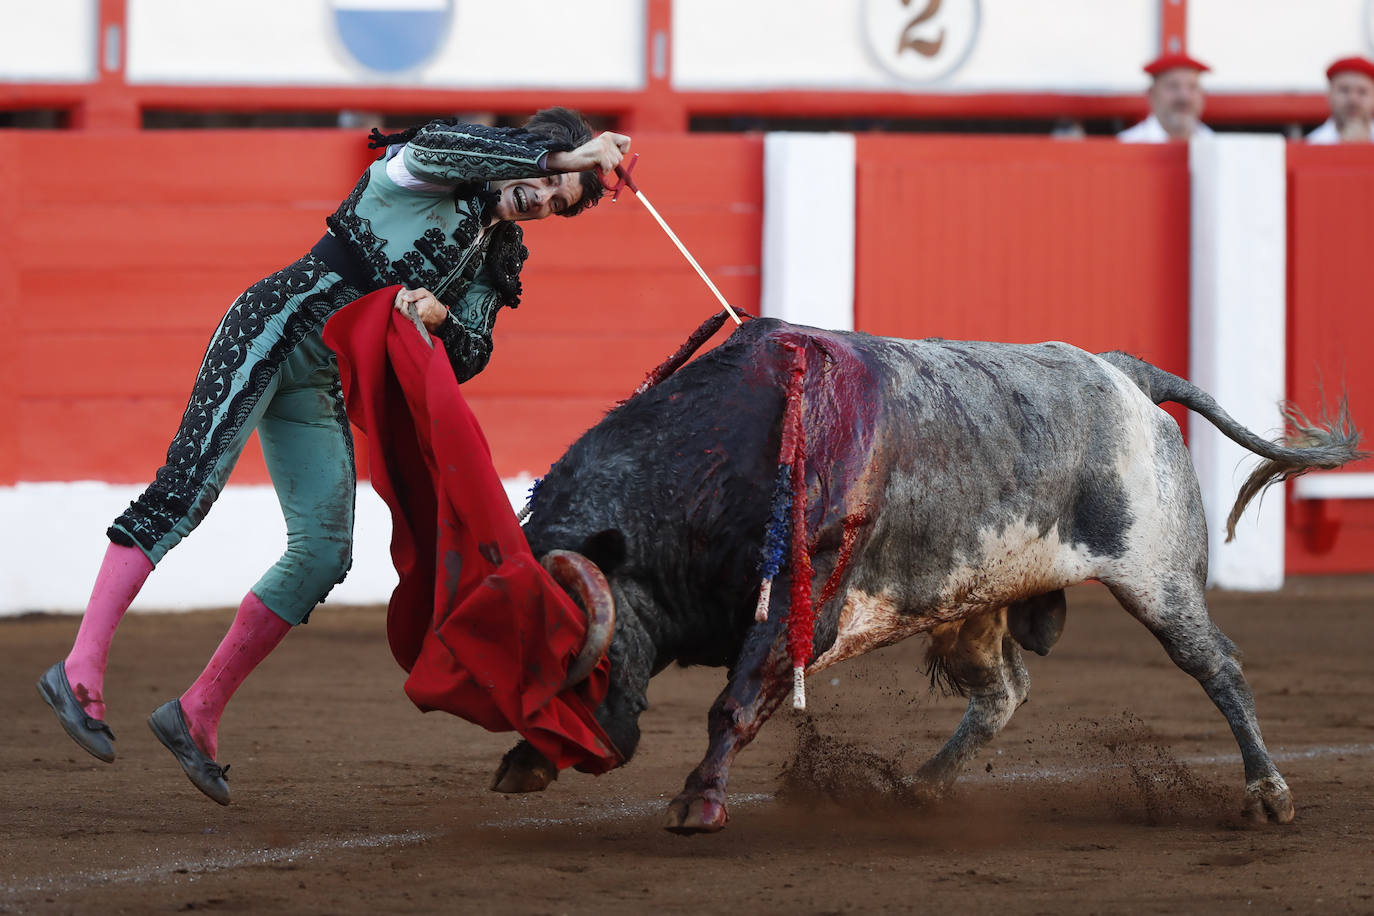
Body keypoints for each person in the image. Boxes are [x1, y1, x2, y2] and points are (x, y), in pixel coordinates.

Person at [37, 108, 630, 805]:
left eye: (558, 206)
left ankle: (197, 713)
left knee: (323, 552)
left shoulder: (493, 257)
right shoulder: (430, 168)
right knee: (185, 494)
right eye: (548, 180)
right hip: (271, 327)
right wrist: (566, 156)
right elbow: (447, 145)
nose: (542, 201)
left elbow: (468, 356)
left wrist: (439, 323)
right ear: (531, 153)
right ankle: (78, 669)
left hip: (316, 379)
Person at [1118, 53, 1214, 143]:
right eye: (1173, 86)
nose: (1184, 96)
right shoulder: (1127, 143)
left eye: (1192, 87)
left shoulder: (1214, 142)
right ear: (1152, 94)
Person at [1307, 56, 1374, 144]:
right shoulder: (1312, 144)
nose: (1353, 99)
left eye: (1362, 92)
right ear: (1330, 94)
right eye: (1344, 90)